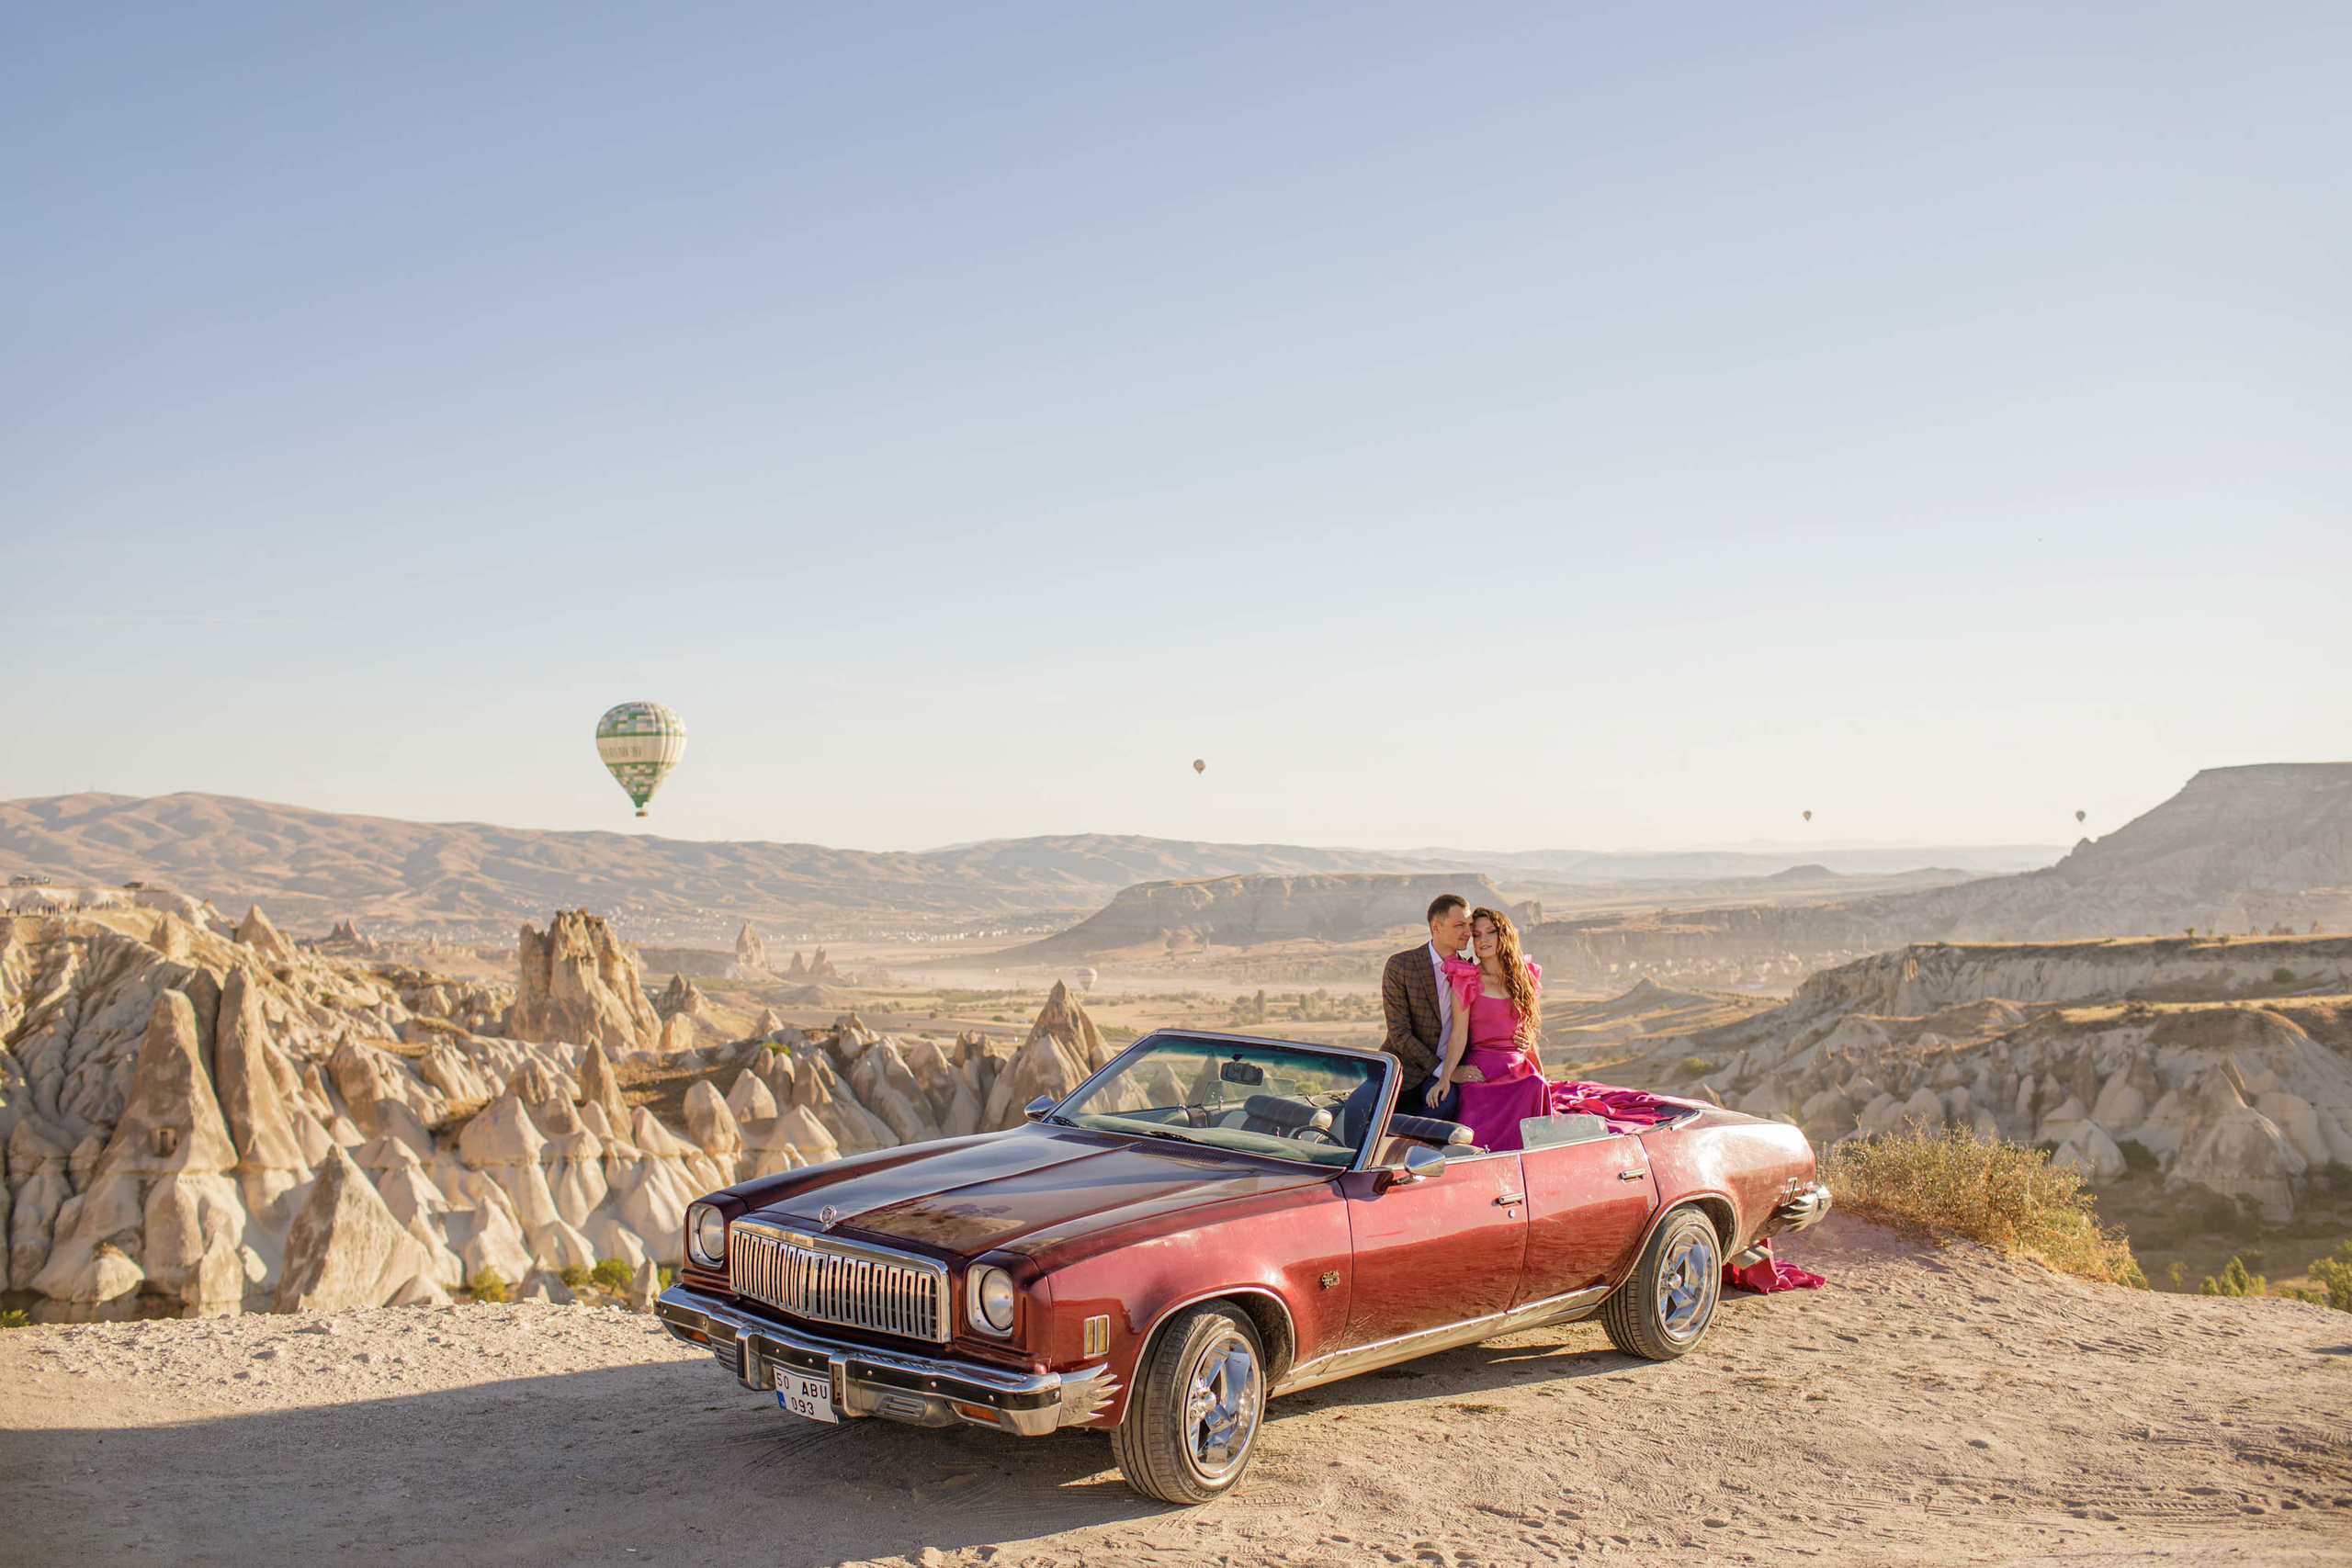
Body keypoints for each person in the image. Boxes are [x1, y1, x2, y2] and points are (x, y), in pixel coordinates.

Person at [1430, 907, 1549, 1150]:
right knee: (1475, 1103)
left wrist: (1542, 1076)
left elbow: (1528, 1037)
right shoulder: (1467, 978)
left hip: (1517, 1068)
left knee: (1536, 1085)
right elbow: (1459, 1034)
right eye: (1476, 934)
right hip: (1482, 1068)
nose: (1482, 940)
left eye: (1490, 932)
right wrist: (1445, 1077)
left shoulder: (1524, 978)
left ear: (1503, 935)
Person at [1377, 894, 1480, 1121]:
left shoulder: (1472, 971)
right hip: (1401, 1068)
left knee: (1442, 1107)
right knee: (1361, 1112)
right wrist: (1445, 1071)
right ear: (1436, 927)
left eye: (1469, 925)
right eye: (1459, 925)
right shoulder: (1401, 965)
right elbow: (1399, 1034)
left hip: (1445, 1073)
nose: (1468, 932)